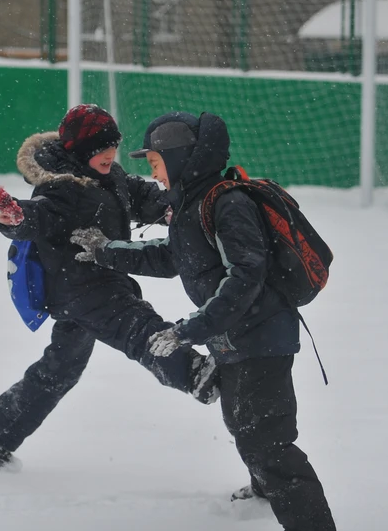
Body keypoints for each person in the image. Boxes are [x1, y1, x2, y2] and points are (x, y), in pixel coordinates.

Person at [71, 112, 335, 531]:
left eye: (155, 162)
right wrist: (106, 252)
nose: (153, 174)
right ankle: (264, 490)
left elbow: (245, 277)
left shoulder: (226, 203)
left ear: (177, 157)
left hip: (262, 339)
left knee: (269, 443)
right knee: (242, 420)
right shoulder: (194, 204)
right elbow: (168, 255)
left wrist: (190, 329)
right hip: (235, 339)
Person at [0, 104, 220, 467]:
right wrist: (11, 217)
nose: (111, 156)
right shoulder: (60, 191)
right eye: (102, 151)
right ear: (81, 153)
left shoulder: (110, 174)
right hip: (81, 287)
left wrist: (171, 205)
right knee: (138, 327)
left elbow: (137, 195)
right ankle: (194, 374)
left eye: (113, 148)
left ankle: (0, 423)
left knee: (64, 365)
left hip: (97, 281)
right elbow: (34, 216)